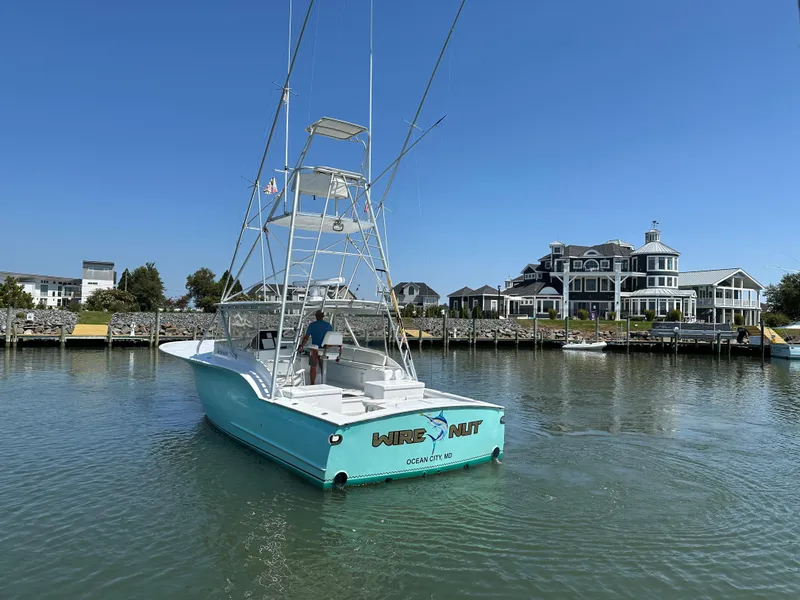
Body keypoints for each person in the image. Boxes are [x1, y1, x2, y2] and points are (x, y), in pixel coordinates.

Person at [298, 310, 333, 385]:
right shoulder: (328, 325)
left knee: (313, 367)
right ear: (323, 316)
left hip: (315, 348)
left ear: (316, 316)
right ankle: (323, 383)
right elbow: (331, 338)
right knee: (322, 366)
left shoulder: (312, 325)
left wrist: (301, 346)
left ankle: (312, 384)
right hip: (325, 349)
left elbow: (306, 337)